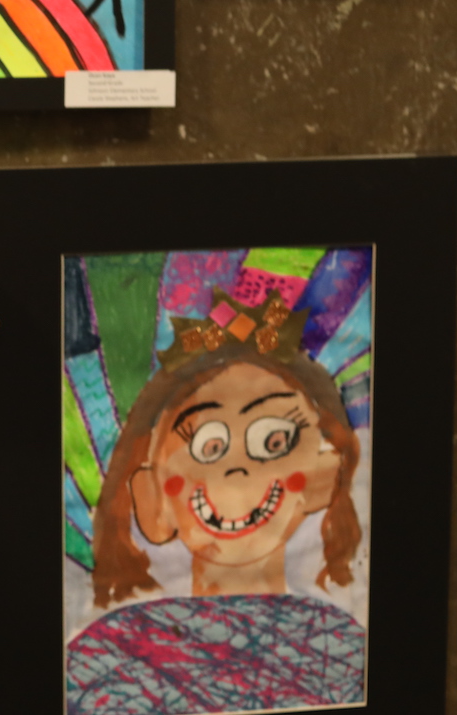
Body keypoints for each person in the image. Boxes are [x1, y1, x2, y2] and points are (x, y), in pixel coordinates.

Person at [66, 289, 365, 715]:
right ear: (150, 498)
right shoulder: (101, 664)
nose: (237, 468)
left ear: (325, 473)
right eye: (206, 446)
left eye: (274, 440)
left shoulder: (347, 656)